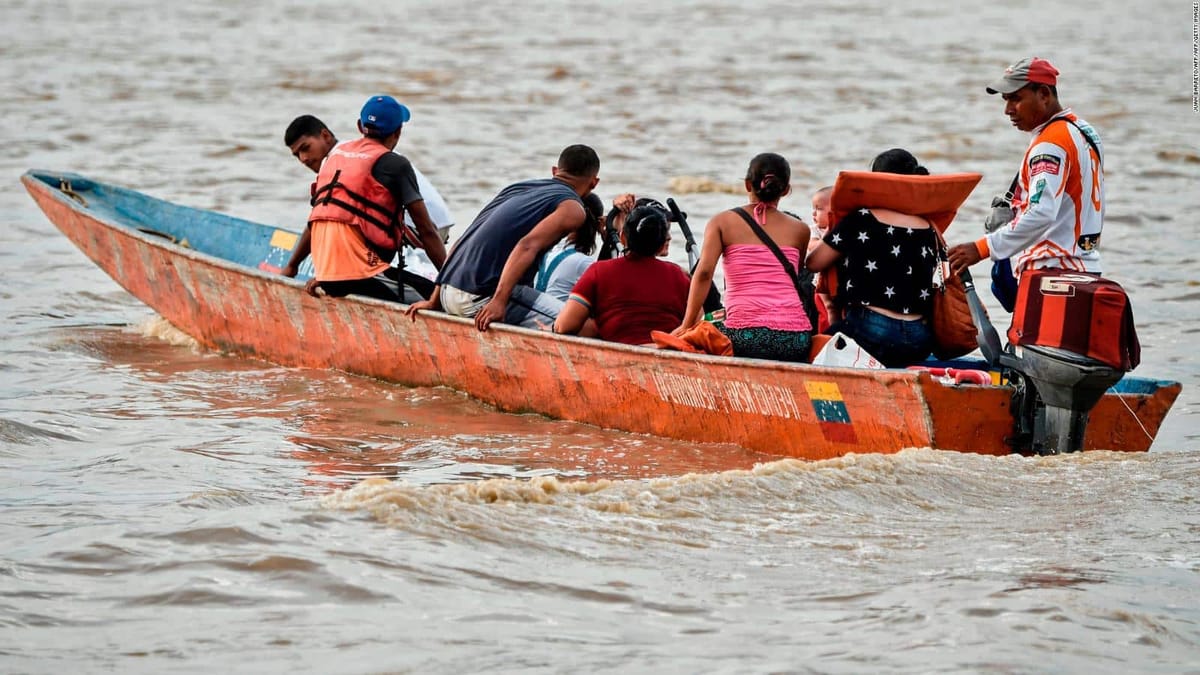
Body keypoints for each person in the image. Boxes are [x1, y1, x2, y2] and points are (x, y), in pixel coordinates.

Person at [948, 57, 1104, 292]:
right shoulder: (1083, 130)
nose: (1007, 110)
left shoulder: (1049, 144)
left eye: (1016, 99)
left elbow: (1041, 212)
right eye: (1005, 100)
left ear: (1043, 94)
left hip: (1053, 277)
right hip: (1086, 270)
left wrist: (982, 248)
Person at [406, 144, 601, 331]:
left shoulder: (518, 187)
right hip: (483, 298)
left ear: (554, 171)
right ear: (594, 182)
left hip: (448, 292)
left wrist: (435, 300)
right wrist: (499, 301)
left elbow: (465, 238)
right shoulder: (573, 209)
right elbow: (527, 246)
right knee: (587, 327)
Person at [280, 113, 454, 288]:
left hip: (424, 228)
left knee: (343, 221)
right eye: (297, 155)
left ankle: (353, 274)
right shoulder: (360, 151)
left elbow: (325, 215)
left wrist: (292, 266)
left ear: (325, 135)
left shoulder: (337, 159)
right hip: (434, 224)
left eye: (306, 148)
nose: (303, 159)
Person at [674, 153, 813, 362]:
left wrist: (686, 325)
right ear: (786, 190)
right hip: (796, 338)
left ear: (748, 185)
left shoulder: (721, 222)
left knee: (703, 328)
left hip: (743, 335)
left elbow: (703, 274)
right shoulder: (801, 229)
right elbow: (795, 275)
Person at [806, 149, 938, 367]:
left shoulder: (861, 219)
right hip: (919, 339)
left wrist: (834, 226)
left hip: (871, 333)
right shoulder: (928, 226)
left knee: (812, 348)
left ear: (876, 182)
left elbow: (813, 263)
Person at [554, 203, 691, 344]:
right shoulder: (680, 276)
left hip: (614, 353)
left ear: (623, 237)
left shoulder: (598, 271)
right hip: (666, 352)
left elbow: (563, 327)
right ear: (663, 244)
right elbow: (693, 326)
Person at [533, 193, 602, 302]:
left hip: (535, 312)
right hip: (555, 317)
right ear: (600, 223)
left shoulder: (549, 250)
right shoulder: (583, 262)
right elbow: (611, 287)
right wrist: (609, 238)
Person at [809, 185, 834, 332]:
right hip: (821, 281)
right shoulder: (816, 230)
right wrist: (827, 240)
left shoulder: (842, 228)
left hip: (839, 281)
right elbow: (811, 245)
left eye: (818, 209)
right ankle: (825, 336)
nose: (813, 213)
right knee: (825, 309)